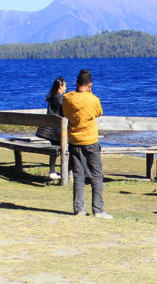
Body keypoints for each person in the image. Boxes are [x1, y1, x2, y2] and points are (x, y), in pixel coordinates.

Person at [61, 69, 112, 219]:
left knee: (78, 175)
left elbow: (65, 113)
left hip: (74, 140)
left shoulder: (67, 98)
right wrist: (89, 94)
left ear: (76, 83)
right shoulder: (93, 99)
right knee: (96, 175)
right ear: (90, 85)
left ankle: (79, 209)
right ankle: (98, 209)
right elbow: (98, 112)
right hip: (90, 140)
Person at [36, 76, 67, 179]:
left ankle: (52, 170)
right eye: (65, 85)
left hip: (50, 130)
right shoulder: (61, 98)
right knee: (68, 147)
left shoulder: (51, 97)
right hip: (58, 131)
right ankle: (67, 171)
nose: (66, 88)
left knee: (54, 149)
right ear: (60, 86)